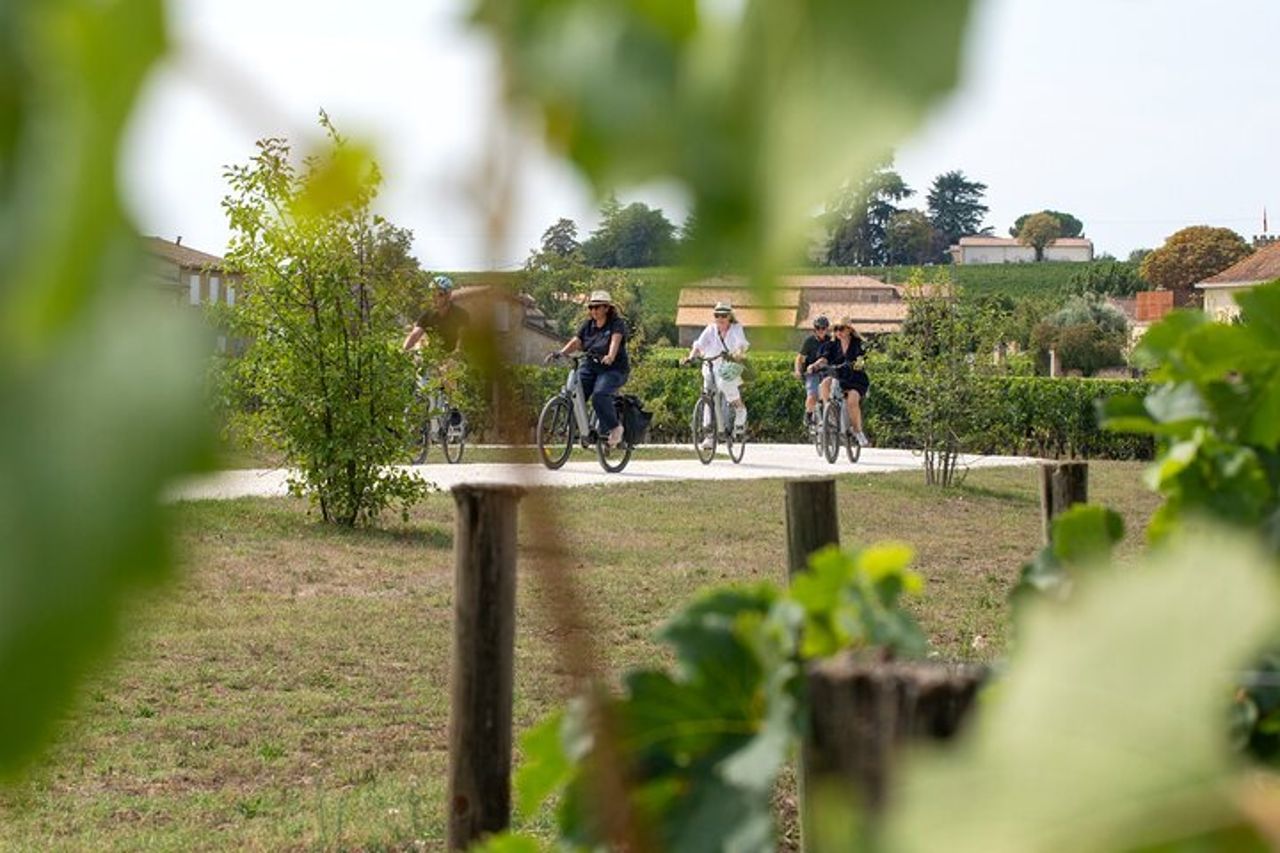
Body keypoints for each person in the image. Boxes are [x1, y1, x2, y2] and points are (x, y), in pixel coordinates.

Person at [547, 289, 630, 448]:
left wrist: (610, 356)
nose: (593, 311)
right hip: (591, 365)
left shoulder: (616, 324)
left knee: (599, 395)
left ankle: (615, 428)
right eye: (591, 307)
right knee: (575, 395)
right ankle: (584, 430)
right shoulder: (588, 325)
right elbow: (577, 342)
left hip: (613, 369)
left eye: (597, 307)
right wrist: (561, 353)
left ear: (606, 308)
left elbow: (615, 341)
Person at [683, 301, 749, 450]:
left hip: (728, 366)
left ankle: (739, 409)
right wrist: (691, 357)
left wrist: (737, 353)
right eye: (717, 315)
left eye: (724, 315)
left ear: (729, 316)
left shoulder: (736, 329)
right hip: (710, 365)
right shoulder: (710, 329)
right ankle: (709, 435)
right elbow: (699, 345)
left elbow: (741, 344)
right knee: (708, 396)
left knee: (725, 385)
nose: (720, 318)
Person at [808, 317, 870, 447]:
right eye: (835, 329)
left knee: (852, 401)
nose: (838, 332)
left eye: (841, 328)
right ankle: (829, 415)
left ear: (849, 330)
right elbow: (824, 359)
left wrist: (858, 364)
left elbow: (862, 359)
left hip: (855, 379)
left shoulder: (858, 344)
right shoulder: (831, 344)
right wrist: (815, 365)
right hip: (837, 375)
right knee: (824, 384)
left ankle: (858, 431)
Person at [403, 275, 469, 353]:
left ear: (448, 295)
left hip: (455, 356)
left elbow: (463, 341)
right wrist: (404, 351)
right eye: (432, 294)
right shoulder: (427, 315)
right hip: (434, 355)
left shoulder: (461, 314)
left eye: (440, 294)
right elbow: (414, 335)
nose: (434, 298)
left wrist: (454, 357)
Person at [794, 315, 830, 427]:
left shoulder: (831, 341)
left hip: (827, 372)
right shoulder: (809, 341)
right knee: (812, 396)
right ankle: (808, 414)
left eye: (823, 328)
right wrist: (798, 371)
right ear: (814, 329)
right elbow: (800, 358)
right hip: (812, 373)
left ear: (827, 329)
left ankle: (831, 417)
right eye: (818, 328)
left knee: (831, 396)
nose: (821, 331)